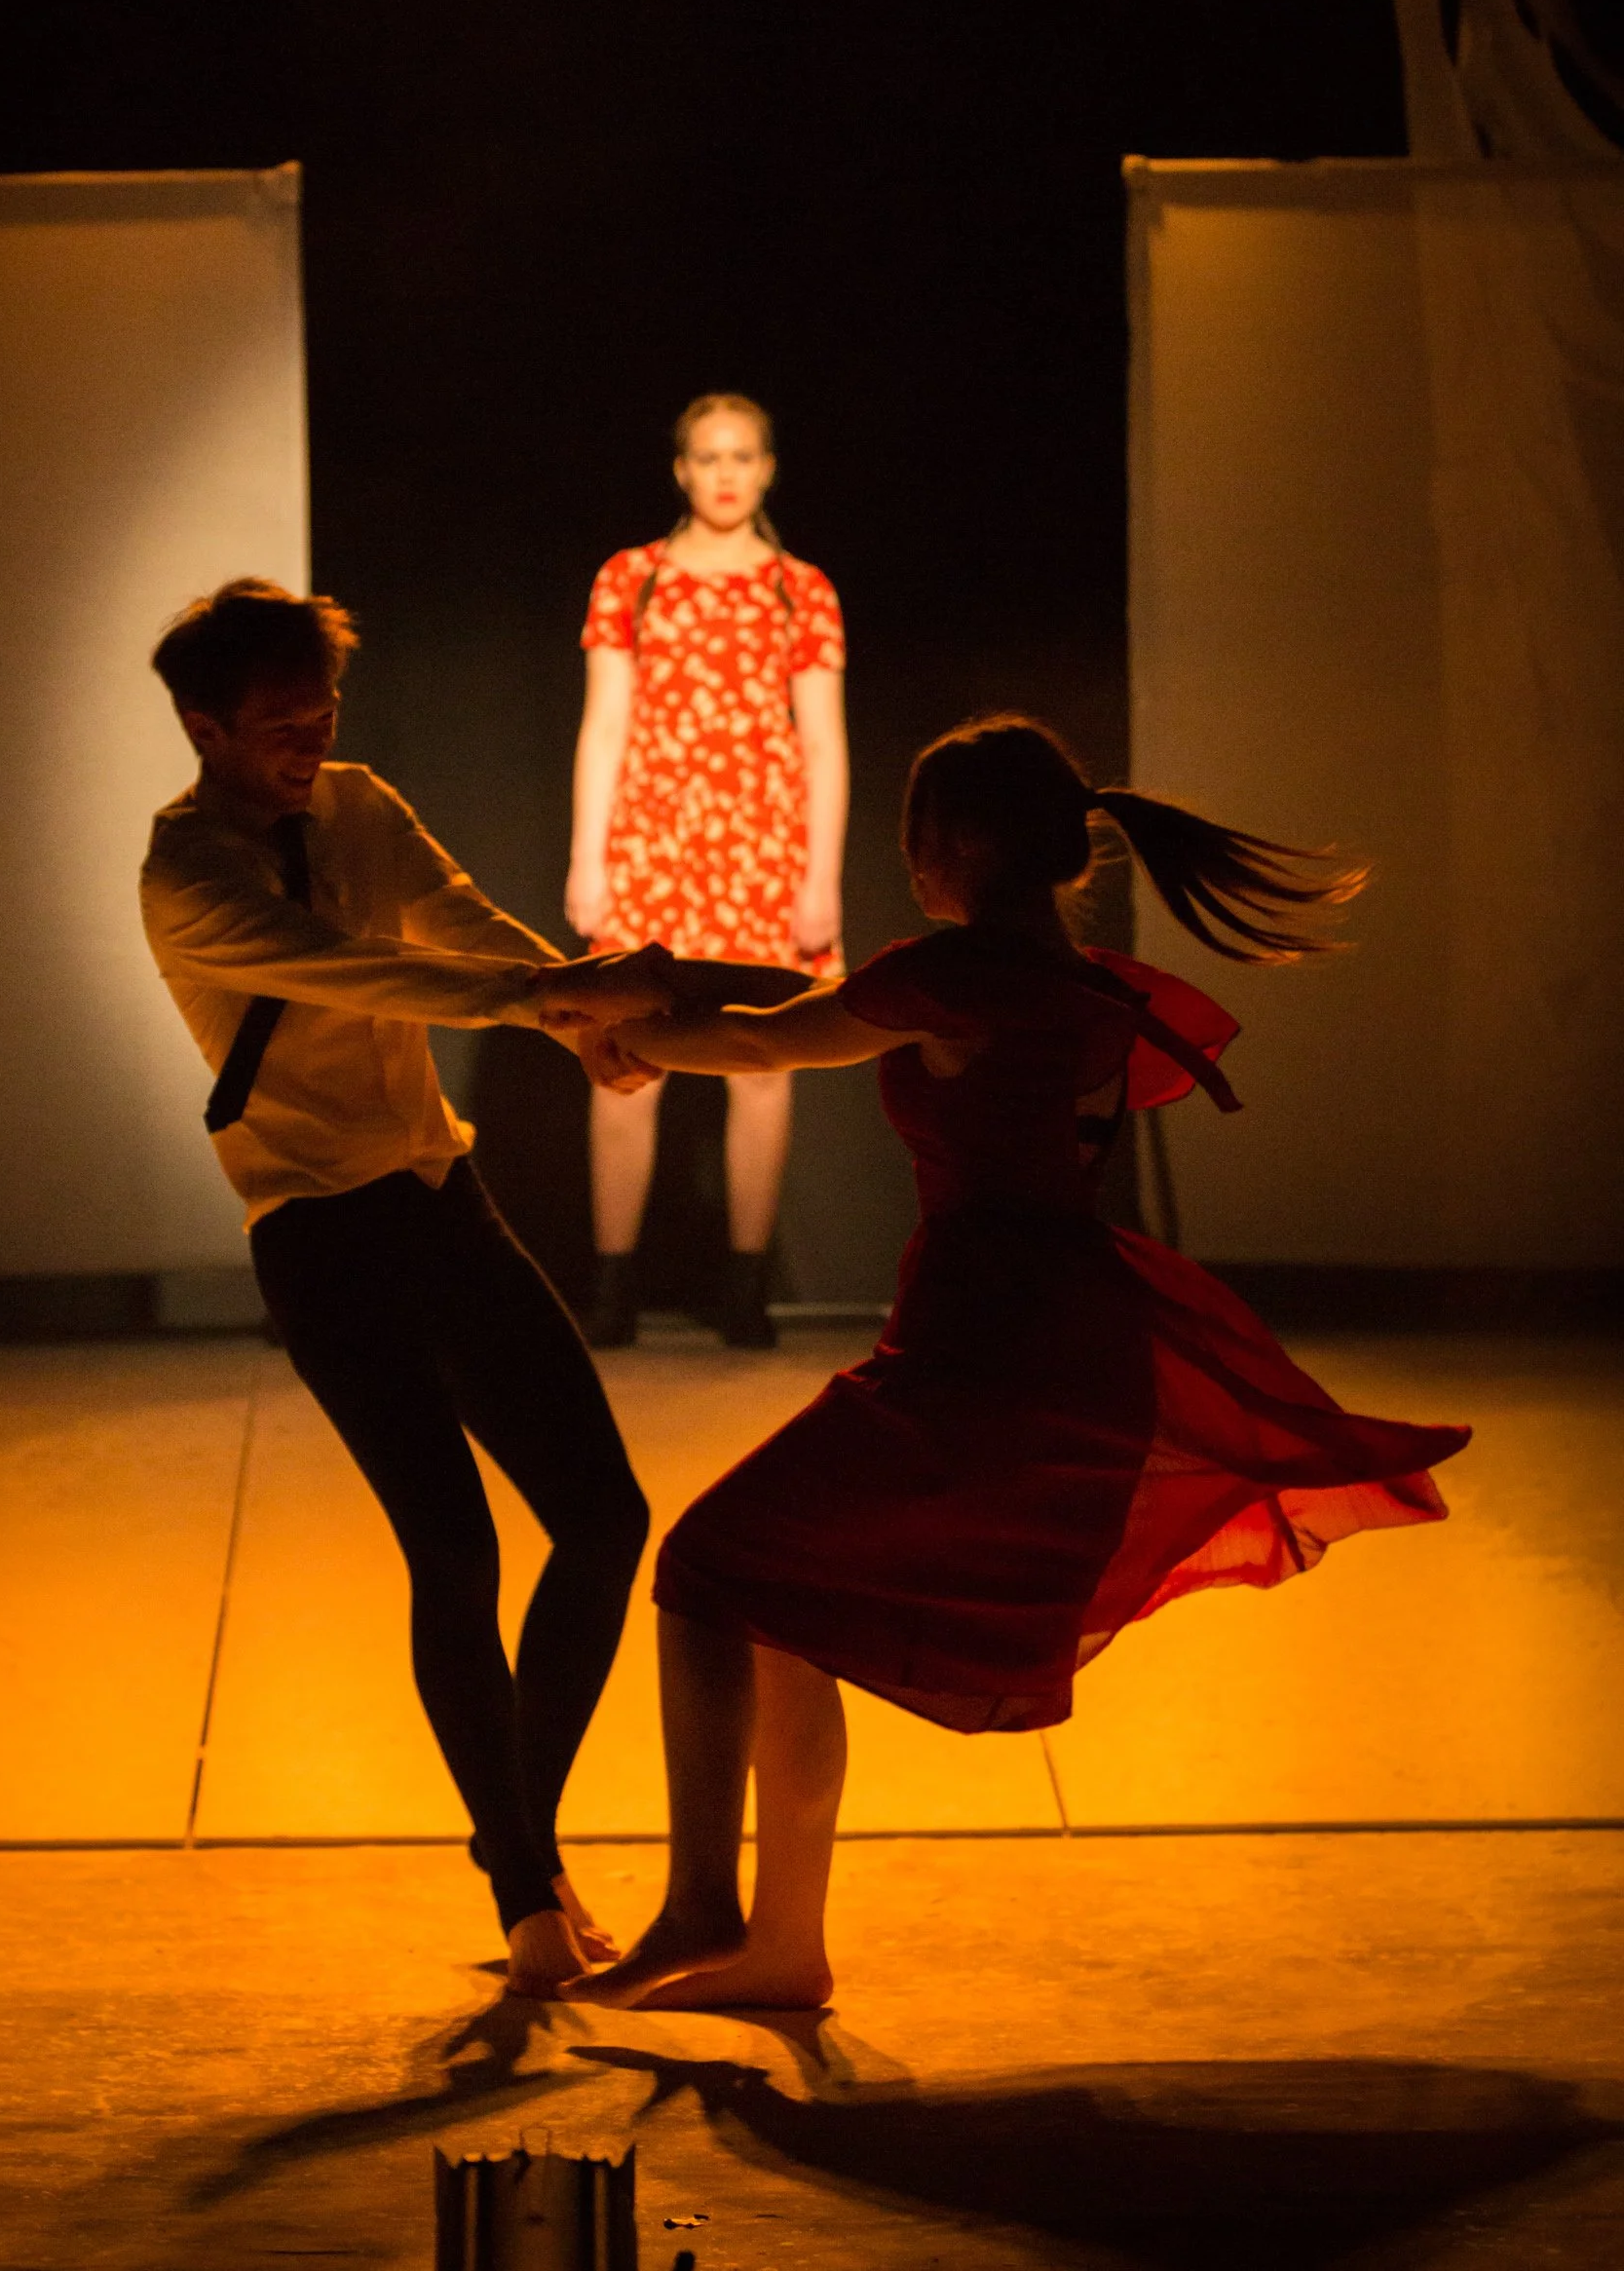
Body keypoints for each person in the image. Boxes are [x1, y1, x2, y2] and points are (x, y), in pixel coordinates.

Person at [574, 714, 1471, 2011]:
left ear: (946, 846)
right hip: (1070, 1340)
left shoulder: (955, 977)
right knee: (776, 1599)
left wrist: (619, 1036)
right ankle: (782, 1948)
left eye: (911, 836)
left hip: (983, 1350)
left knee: (708, 1564)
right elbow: (785, 1007)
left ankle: (707, 1906)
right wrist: (650, 1001)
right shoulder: (1086, 983)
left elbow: (773, 1038)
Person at [139, 579, 668, 1998]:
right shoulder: (187, 875)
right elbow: (355, 971)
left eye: (321, 707)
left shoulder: (362, 803)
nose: (311, 735)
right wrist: (539, 1004)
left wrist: (573, 1001)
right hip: (322, 1235)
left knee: (605, 1519)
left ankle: (522, 1840)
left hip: (442, 1196)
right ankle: (524, 1887)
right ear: (203, 727)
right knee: (454, 1551)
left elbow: (461, 920)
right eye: (278, 720)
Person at [567, 393, 849, 1350]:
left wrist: (820, 876)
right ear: (680, 470)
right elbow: (604, 725)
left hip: (762, 848)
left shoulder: (799, 589)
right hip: (652, 846)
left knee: (763, 1064)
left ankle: (743, 1288)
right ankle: (612, 1285)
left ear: (767, 468)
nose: (725, 474)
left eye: (742, 456)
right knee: (623, 1059)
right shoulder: (632, 578)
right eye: (708, 457)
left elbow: (823, 740)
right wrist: (589, 858)